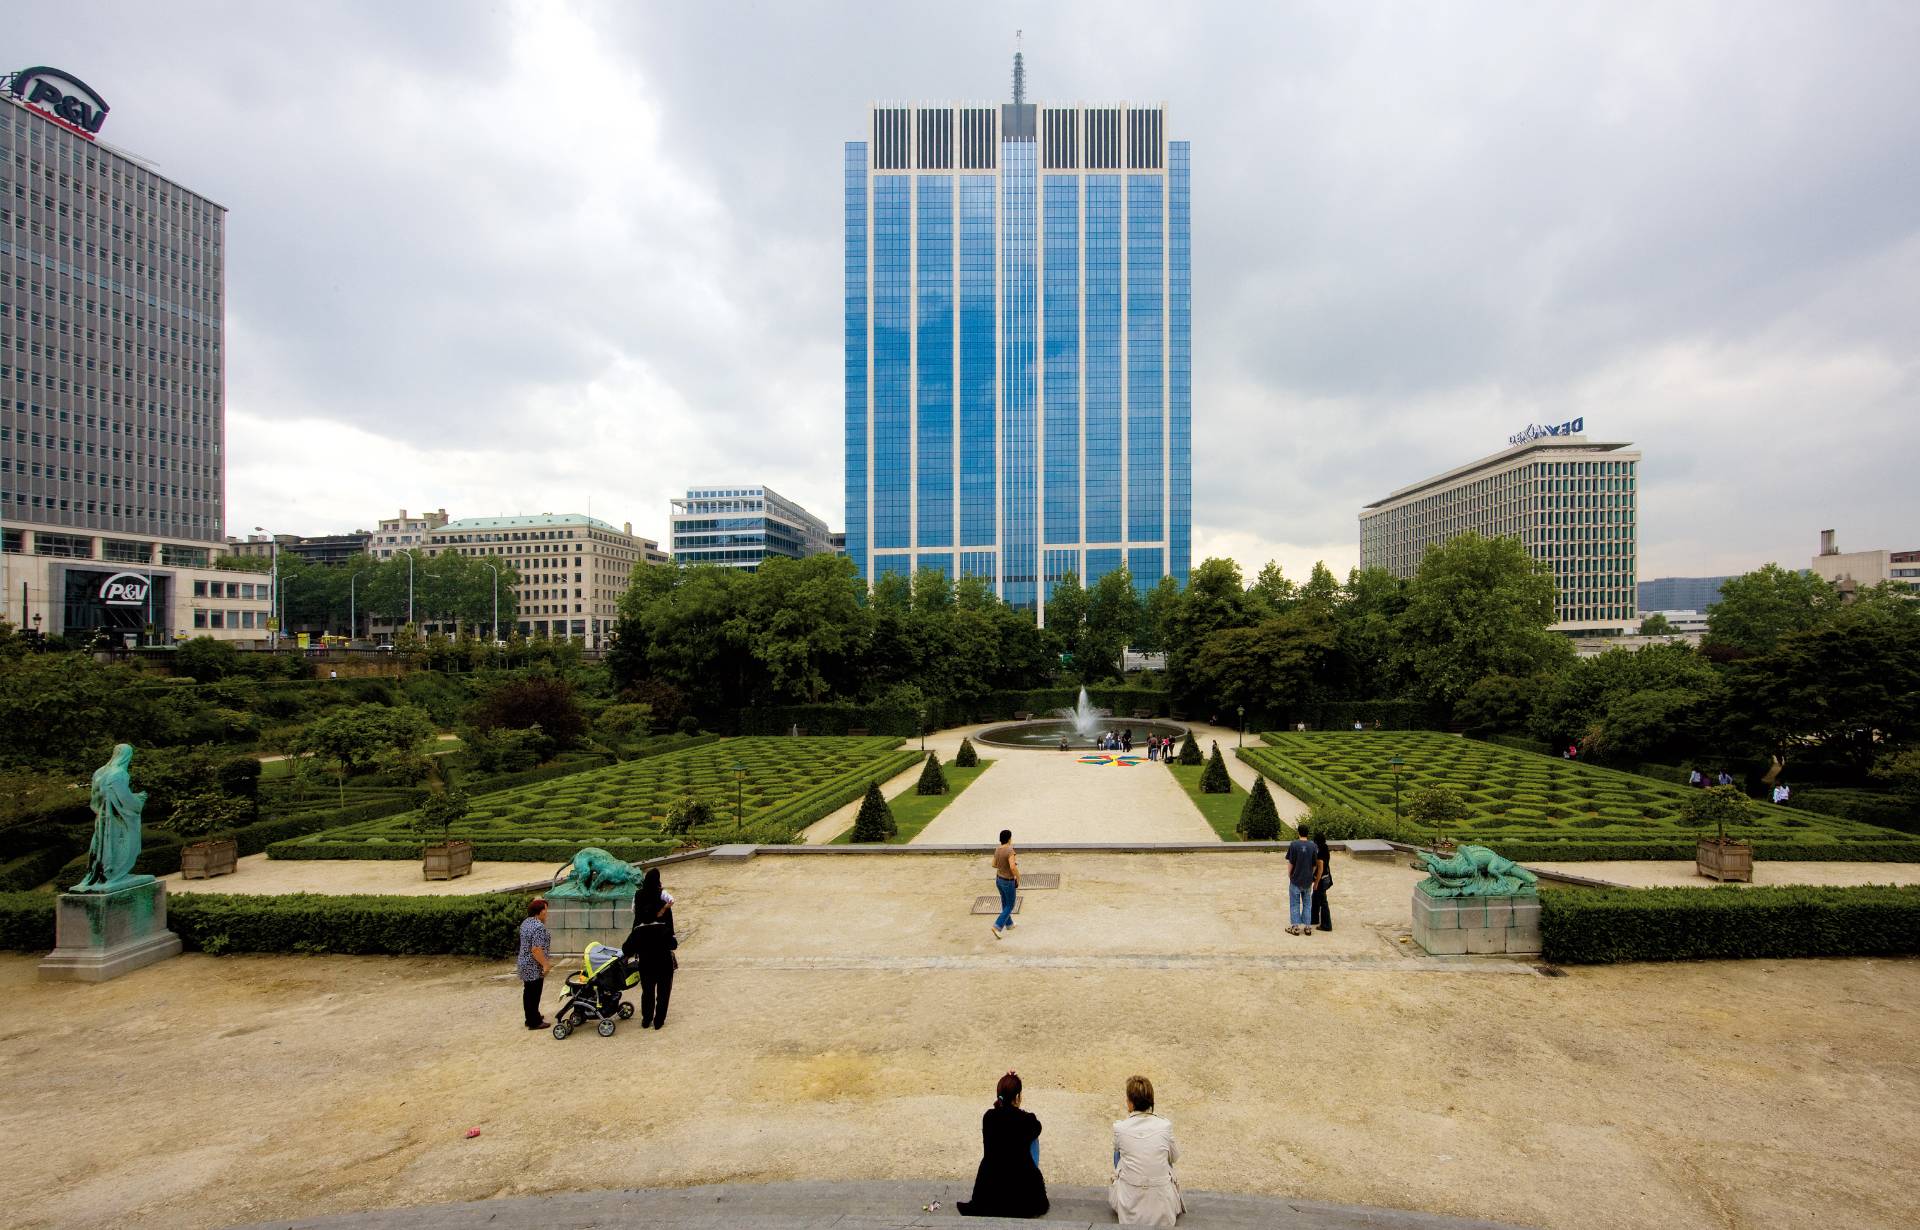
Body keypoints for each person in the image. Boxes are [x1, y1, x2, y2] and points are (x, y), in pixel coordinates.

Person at [957, 1070, 1048, 1218]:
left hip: (989, 1193)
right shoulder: (1027, 1120)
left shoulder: (988, 1117)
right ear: (1018, 1097)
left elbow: (1003, 1123)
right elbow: (1037, 1127)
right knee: (1033, 1139)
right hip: (1022, 1198)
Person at [1109, 1075, 1183, 1226]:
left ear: (1130, 1102)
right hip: (1163, 1210)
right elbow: (1174, 1158)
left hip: (1129, 1208)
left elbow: (1118, 1152)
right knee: (1164, 1153)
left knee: (1118, 1151)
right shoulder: (1165, 1126)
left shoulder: (1120, 1127)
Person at [623, 868, 678, 1029]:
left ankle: (646, 1018)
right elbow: (673, 943)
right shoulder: (663, 923)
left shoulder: (639, 930)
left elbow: (627, 948)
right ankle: (659, 1020)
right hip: (663, 961)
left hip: (646, 962)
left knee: (647, 991)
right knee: (663, 992)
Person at [516, 898, 551, 1030]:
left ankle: (531, 1016)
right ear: (539, 912)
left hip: (524, 962)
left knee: (529, 992)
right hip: (533, 965)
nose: (547, 913)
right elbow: (536, 949)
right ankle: (534, 1021)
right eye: (545, 910)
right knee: (534, 993)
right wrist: (545, 964)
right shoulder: (538, 927)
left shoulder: (526, 922)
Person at [1284, 822, 1322, 937]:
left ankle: (1295, 927)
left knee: (1294, 903)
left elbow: (1291, 862)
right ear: (1307, 833)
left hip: (1296, 879)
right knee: (1307, 903)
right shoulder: (1313, 846)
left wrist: (1289, 874)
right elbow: (1314, 864)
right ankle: (1307, 927)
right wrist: (1311, 874)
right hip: (1307, 880)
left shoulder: (1294, 844)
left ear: (1298, 832)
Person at [992, 829, 1019, 939]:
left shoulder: (998, 849)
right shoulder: (1010, 850)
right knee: (1010, 904)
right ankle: (997, 926)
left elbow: (994, 864)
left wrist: (1004, 865)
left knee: (1004, 902)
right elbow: (1013, 867)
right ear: (1009, 838)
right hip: (1008, 881)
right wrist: (1018, 877)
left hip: (999, 879)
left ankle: (1009, 924)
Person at [1311, 829, 1333, 933]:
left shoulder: (1320, 851)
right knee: (1315, 897)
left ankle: (1326, 925)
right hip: (1325, 877)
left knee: (1323, 901)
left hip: (1321, 879)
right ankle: (1314, 918)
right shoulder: (1325, 848)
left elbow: (1320, 869)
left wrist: (1316, 883)